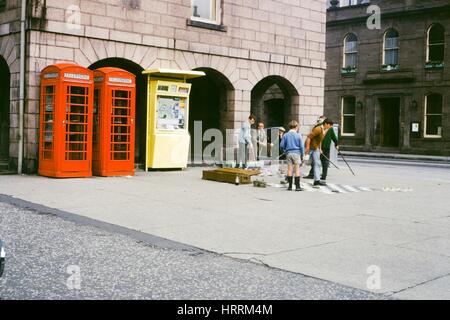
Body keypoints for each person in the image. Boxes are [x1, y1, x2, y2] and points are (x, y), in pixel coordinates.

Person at [304, 119, 333, 187]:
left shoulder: (324, 130)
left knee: (317, 163)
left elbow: (319, 141)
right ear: (326, 124)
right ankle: (288, 176)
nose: (330, 127)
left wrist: (319, 148)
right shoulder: (318, 129)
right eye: (330, 125)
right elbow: (309, 137)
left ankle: (317, 181)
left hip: (315, 149)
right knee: (301, 162)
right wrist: (307, 148)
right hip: (310, 148)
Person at [280, 121, 304, 191]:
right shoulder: (298, 135)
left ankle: (290, 186)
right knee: (297, 170)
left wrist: (284, 151)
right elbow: (302, 146)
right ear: (296, 127)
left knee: (289, 169)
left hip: (288, 153)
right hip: (296, 153)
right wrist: (302, 154)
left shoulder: (285, 135)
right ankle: (297, 187)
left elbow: (281, 145)